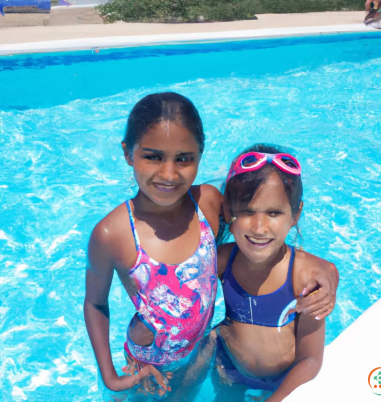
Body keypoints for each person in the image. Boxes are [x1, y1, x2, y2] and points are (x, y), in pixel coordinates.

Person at [84, 93, 339, 398]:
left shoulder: (207, 204)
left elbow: (257, 233)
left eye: (183, 158)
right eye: (153, 156)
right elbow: (95, 304)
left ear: (200, 154)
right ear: (128, 154)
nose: (168, 173)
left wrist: (328, 275)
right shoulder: (111, 233)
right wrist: (109, 375)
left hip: (200, 349)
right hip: (149, 361)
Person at [211, 144, 334, 402]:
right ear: (228, 211)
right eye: (247, 211)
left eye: (274, 212)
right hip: (228, 368)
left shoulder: (305, 277)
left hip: (283, 382)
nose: (259, 227)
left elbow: (310, 359)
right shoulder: (222, 260)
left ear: (295, 215)